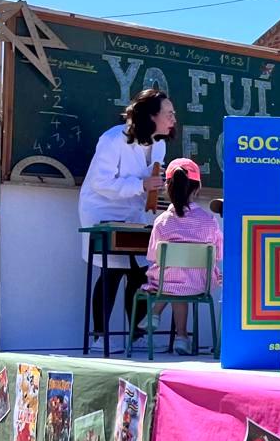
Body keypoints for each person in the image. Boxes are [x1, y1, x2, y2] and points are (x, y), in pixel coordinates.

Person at [78, 87, 176, 348]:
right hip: (103, 211)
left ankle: (137, 335)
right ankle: (100, 336)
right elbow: (101, 182)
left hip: (135, 213)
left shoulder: (159, 145)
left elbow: (148, 182)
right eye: (168, 113)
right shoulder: (112, 140)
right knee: (112, 271)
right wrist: (142, 185)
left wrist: (156, 190)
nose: (173, 119)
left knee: (140, 272)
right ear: (150, 115)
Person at [142, 158, 222, 355]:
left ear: (168, 187)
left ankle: (155, 313)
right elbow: (217, 254)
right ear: (197, 188)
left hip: (165, 284)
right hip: (199, 286)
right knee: (183, 282)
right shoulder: (209, 221)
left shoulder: (161, 222)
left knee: (171, 279)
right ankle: (181, 337)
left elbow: (153, 256)